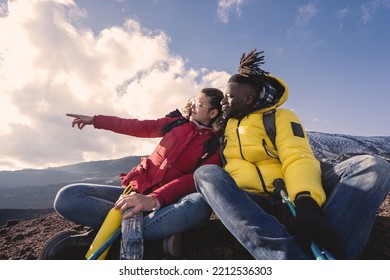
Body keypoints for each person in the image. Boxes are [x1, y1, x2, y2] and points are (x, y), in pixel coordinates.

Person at [194, 50, 390, 260]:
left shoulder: (279, 117)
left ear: (248, 99)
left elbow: (297, 156)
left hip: (291, 191)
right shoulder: (222, 127)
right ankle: (290, 259)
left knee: (375, 167)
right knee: (206, 174)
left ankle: (330, 251)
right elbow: (194, 126)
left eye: (230, 96)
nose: (223, 101)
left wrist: (305, 199)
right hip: (250, 202)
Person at [54, 87, 224, 258]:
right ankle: (155, 238)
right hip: (136, 192)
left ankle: (118, 232)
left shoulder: (214, 145)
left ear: (213, 112)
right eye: (194, 100)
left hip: (166, 205)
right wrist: (96, 120)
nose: (193, 105)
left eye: (200, 104)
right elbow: (138, 126)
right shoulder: (176, 122)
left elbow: (191, 180)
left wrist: (153, 200)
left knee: (199, 206)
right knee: (67, 197)